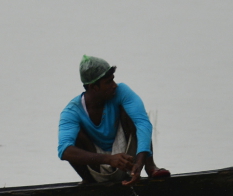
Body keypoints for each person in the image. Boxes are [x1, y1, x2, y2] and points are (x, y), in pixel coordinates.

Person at [58, 55, 170, 185]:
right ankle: (89, 182)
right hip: (97, 162)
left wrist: (139, 162)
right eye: (108, 82)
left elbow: (142, 123)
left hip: (128, 155)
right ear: (94, 87)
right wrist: (108, 159)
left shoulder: (122, 92)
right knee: (73, 137)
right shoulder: (71, 111)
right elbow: (64, 151)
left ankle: (150, 166)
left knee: (132, 115)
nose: (114, 85)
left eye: (113, 80)